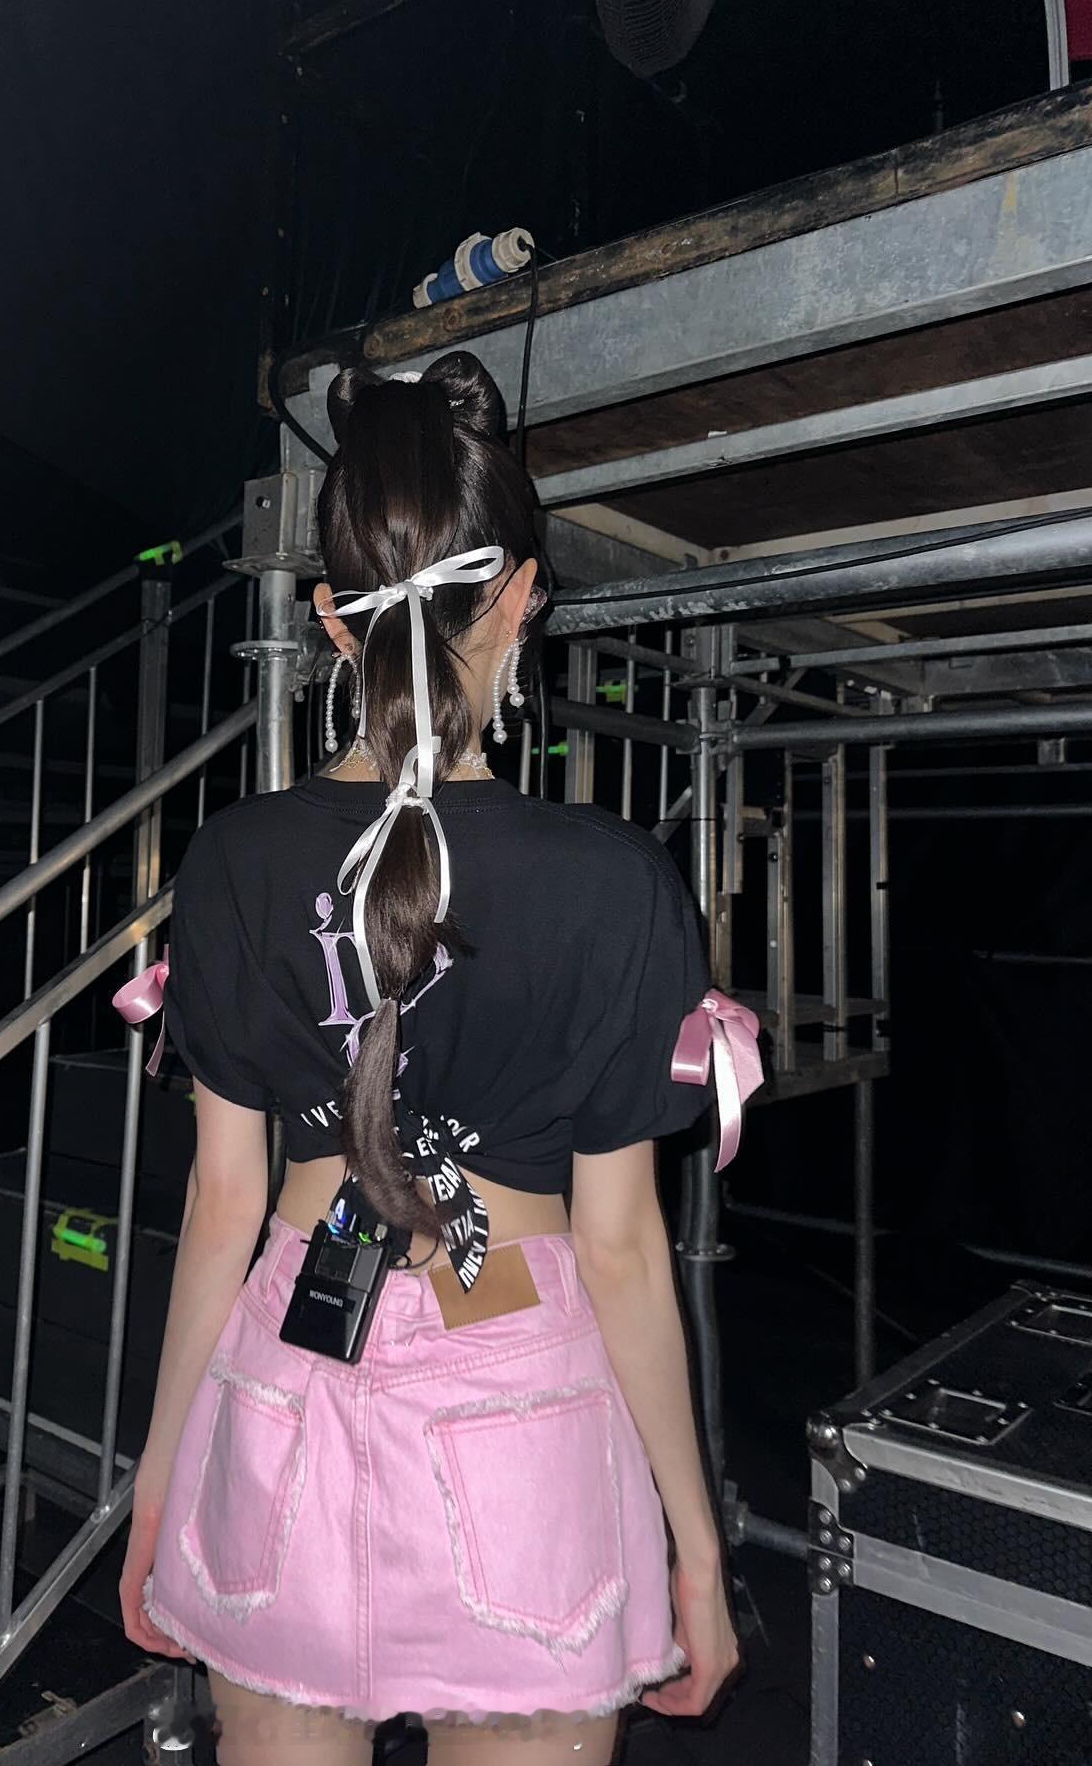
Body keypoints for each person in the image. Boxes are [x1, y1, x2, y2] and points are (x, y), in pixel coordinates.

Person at [120, 351, 744, 1765]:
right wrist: (695, 1552)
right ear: (522, 597)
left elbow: (224, 1205)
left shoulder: (233, 859)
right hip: (518, 1392)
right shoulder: (616, 879)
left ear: (331, 622)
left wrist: (159, 1486)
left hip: (286, 1385)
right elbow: (623, 1246)